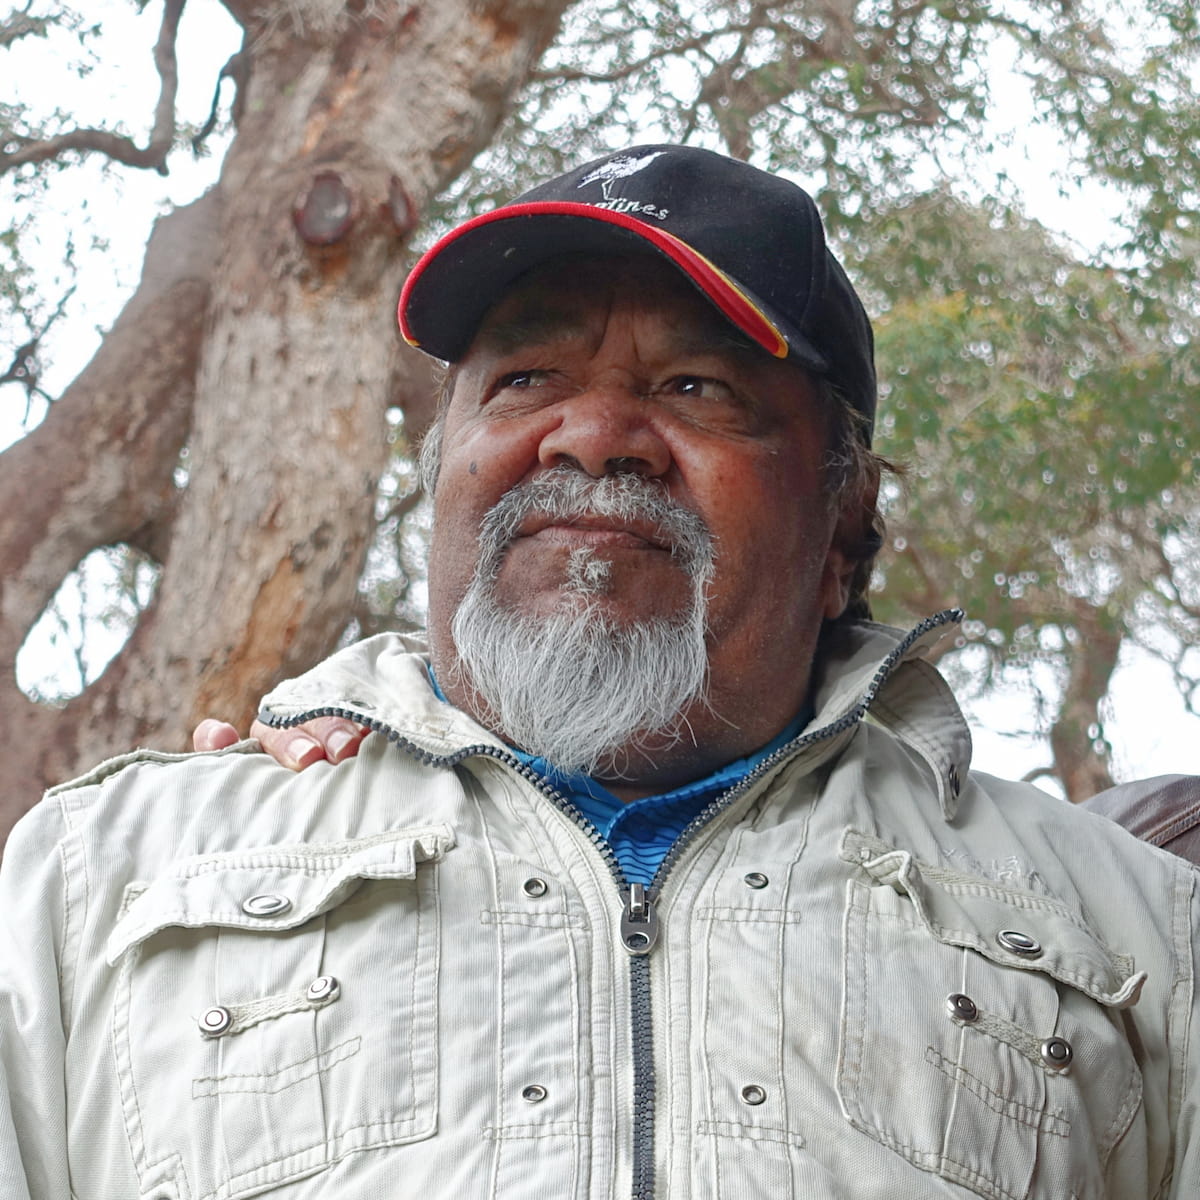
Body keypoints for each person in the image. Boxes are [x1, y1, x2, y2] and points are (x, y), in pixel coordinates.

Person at [2, 144, 1198, 1200]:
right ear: (439, 473)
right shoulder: (97, 883)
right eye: (525, 379)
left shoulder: (1138, 933)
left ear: (845, 524)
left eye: (696, 388)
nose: (590, 434)